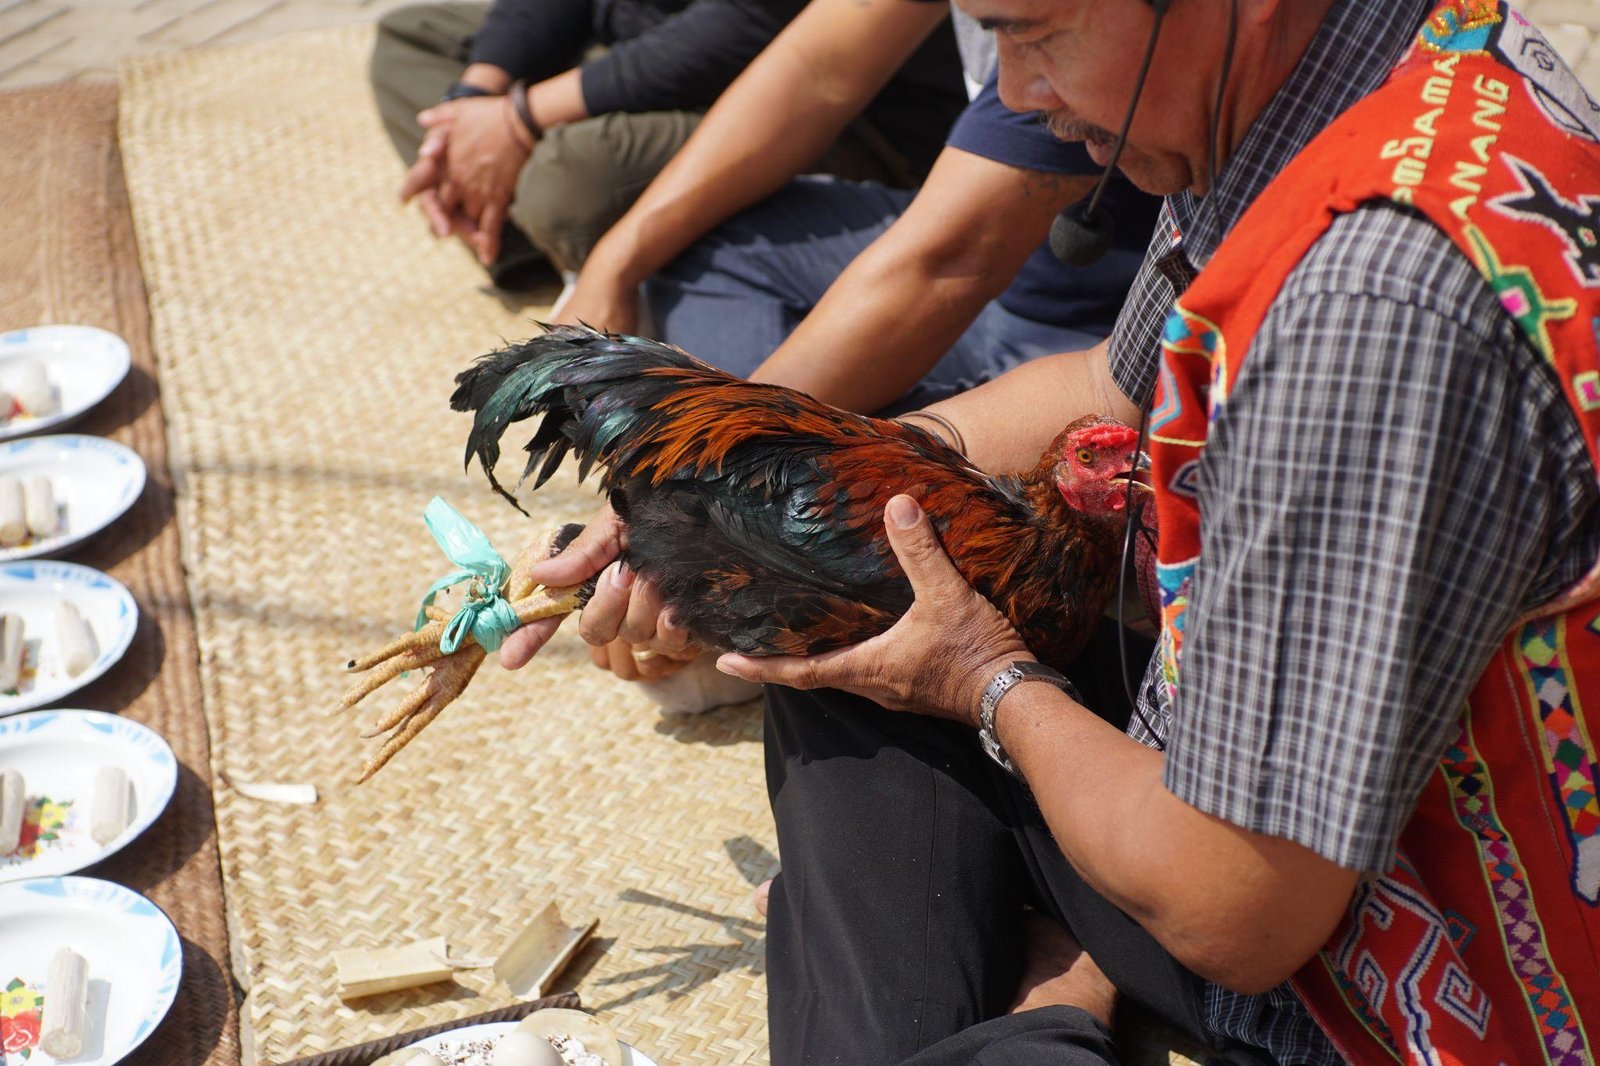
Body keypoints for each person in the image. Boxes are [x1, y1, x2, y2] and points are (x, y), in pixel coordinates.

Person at [514, 0, 1600, 1062]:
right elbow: (1101, 383)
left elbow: (1238, 907)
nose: (1017, 95)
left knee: (869, 670)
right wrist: (800, 493)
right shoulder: (1369, 64)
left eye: (1032, 30)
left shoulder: (1360, 306)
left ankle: (1044, 1012)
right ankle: (1042, 975)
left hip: (1409, 965)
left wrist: (983, 677)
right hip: (1341, 775)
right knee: (864, 588)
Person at [368, 0, 965, 287]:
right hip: (631, 56)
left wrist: (521, 118)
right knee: (410, 39)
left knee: (566, 177)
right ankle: (500, 207)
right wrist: (477, 100)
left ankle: (526, 214)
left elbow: (748, 29)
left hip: (824, 111)